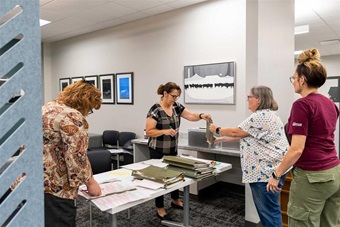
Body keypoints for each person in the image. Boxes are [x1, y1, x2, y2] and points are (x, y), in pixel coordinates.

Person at [267, 48, 340, 227]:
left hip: (312, 177)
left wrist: (276, 174)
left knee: (302, 223)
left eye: (294, 78)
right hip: (334, 172)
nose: (293, 82)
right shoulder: (330, 104)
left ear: (302, 79)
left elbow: (297, 149)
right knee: (330, 223)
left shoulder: (302, 105)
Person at [209, 85, 289, 227]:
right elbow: (245, 135)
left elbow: (236, 132)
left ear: (258, 99)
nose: (247, 100)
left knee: (269, 213)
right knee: (270, 211)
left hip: (264, 174)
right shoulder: (270, 115)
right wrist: (220, 139)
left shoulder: (260, 116)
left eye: (249, 97)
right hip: (270, 171)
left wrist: (217, 129)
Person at [145, 82, 211, 220]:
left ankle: (175, 200)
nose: (175, 99)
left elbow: (191, 116)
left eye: (177, 97)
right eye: (173, 96)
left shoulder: (176, 107)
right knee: (160, 179)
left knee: (174, 175)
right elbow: (150, 131)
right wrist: (164, 131)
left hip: (172, 149)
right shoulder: (155, 110)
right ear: (165, 94)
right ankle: (160, 206)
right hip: (157, 150)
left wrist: (201, 115)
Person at [42, 79, 102, 226]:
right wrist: (91, 182)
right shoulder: (72, 116)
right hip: (57, 184)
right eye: (91, 108)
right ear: (85, 101)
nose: (89, 112)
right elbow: (76, 156)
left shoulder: (48, 108)